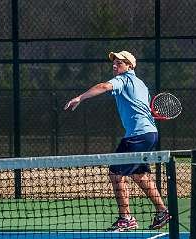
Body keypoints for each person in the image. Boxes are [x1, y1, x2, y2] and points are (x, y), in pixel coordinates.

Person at [64, 50, 170, 232]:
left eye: (119, 63)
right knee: (138, 174)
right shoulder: (141, 84)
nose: (115, 65)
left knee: (116, 173)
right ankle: (162, 211)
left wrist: (80, 97)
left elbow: (104, 86)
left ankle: (126, 218)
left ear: (130, 66)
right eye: (114, 63)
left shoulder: (124, 79)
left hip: (137, 135)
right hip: (149, 134)